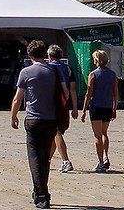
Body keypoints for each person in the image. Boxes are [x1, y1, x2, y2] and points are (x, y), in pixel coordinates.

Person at [11, 39, 69, 210]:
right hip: (51, 119)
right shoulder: (55, 71)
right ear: (45, 54)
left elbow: (17, 97)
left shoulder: (26, 72)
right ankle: (40, 192)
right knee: (45, 158)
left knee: (35, 159)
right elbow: (65, 93)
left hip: (33, 119)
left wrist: (13, 115)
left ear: (29, 55)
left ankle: (42, 197)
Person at [80, 49, 118, 172]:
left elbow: (89, 93)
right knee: (104, 133)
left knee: (97, 136)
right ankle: (106, 156)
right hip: (107, 106)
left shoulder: (93, 74)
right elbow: (115, 93)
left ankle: (100, 162)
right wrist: (114, 108)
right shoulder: (112, 74)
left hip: (96, 107)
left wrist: (84, 109)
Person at [46, 44, 78, 174]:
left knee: (56, 131)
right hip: (65, 104)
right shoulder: (68, 68)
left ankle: (66, 161)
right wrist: (75, 108)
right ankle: (47, 160)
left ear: (49, 56)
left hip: (51, 103)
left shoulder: (48, 68)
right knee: (56, 133)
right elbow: (73, 90)